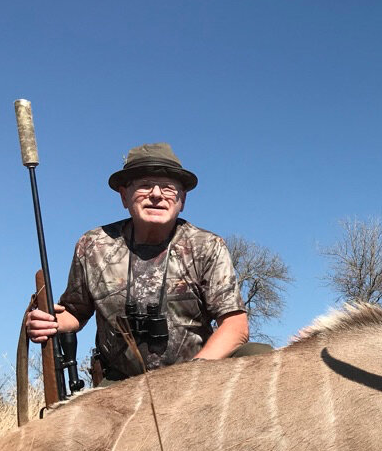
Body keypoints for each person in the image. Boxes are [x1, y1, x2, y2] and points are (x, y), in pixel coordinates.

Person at [26, 142, 269, 384]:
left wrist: (190, 377)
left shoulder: (207, 246)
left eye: (168, 188)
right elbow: (75, 312)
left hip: (197, 378)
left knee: (259, 356)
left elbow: (235, 327)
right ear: (124, 195)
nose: (156, 194)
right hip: (123, 382)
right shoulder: (93, 245)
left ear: (181, 199)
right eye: (144, 186)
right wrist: (48, 323)